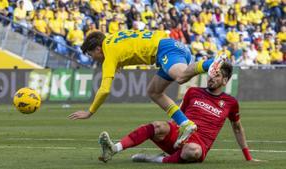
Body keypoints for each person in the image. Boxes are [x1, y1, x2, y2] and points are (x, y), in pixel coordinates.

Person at [68, 29, 223, 147]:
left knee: (181, 77)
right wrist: (119, 64)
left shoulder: (109, 54)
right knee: (154, 92)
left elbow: (105, 89)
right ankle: (185, 124)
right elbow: (133, 46)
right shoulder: (114, 38)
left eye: (90, 54)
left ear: (97, 49)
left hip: (166, 50)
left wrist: (90, 112)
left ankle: (211, 63)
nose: (92, 58)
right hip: (170, 46)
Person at [98, 62, 260, 163]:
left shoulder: (231, 103)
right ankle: (114, 148)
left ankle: (156, 160)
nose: (211, 78)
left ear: (225, 81)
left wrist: (248, 157)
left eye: (216, 76)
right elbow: (178, 116)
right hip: (179, 135)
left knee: (193, 151)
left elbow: (237, 128)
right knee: (157, 126)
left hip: (198, 144)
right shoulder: (193, 92)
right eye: (211, 74)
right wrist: (171, 135)